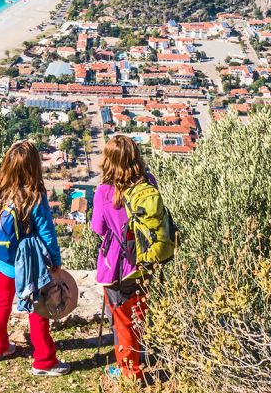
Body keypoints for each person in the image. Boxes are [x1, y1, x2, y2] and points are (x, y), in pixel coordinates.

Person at [0, 140, 70, 376]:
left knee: (1, 299)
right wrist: (55, 261)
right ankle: (44, 361)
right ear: (33, 166)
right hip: (24, 261)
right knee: (37, 307)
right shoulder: (33, 196)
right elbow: (47, 232)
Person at [90, 135, 150, 380]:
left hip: (118, 266)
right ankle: (141, 355)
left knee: (122, 319)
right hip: (148, 260)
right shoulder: (148, 182)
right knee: (141, 311)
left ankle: (129, 372)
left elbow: (98, 228)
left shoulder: (105, 191)